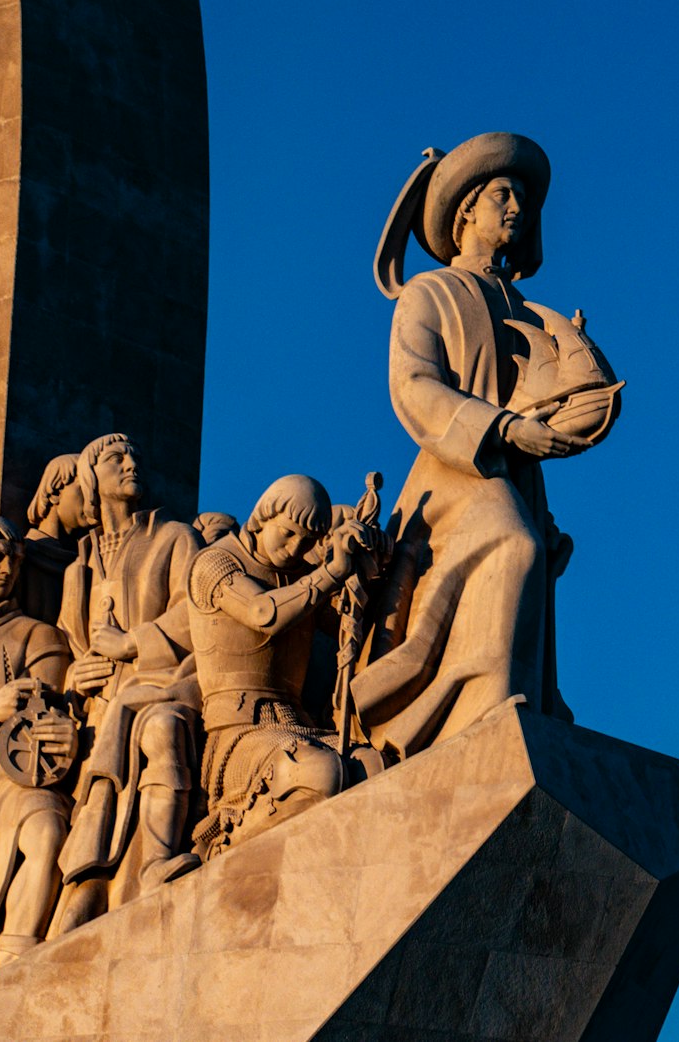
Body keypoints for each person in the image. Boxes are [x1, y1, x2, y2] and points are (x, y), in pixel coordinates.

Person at [354, 133, 596, 758]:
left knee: (529, 552)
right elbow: (413, 385)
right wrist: (501, 429)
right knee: (511, 544)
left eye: (523, 198)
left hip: (516, 476)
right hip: (455, 471)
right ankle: (473, 716)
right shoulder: (428, 294)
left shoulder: (530, 311)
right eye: (502, 195)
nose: (518, 207)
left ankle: (507, 707)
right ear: (465, 211)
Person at [187, 475, 388, 857]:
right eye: (289, 533)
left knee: (377, 766)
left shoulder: (302, 577)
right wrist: (329, 574)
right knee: (318, 772)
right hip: (238, 734)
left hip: (297, 724)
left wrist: (371, 566)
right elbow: (263, 612)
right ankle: (220, 849)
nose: (296, 548)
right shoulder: (215, 563)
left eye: (308, 542)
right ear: (266, 514)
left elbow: (353, 626)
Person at [51, 434, 202, 933]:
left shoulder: (173, 537)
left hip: (165, 686)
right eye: (116, 458)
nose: (132, 463)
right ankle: (86, 887)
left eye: (134, 454)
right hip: (96, 719)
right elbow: (70, 650)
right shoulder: (79, 568)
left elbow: (199, 611)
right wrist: (76, 675)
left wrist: (134, 643)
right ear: (93, 477)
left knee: (158, 730)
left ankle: (152, 866)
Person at [0, 517, 74, 968]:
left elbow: (40, 735)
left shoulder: (37, 636)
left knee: (45, 827)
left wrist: (64, 737)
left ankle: (13, 958)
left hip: (7, 784)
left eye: (13, 560)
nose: (5, 569)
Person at [20, 454, 87, 625]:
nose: (92, 501)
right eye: (84, 490)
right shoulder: (21, 557)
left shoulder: (85, 561)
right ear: (56, 492)